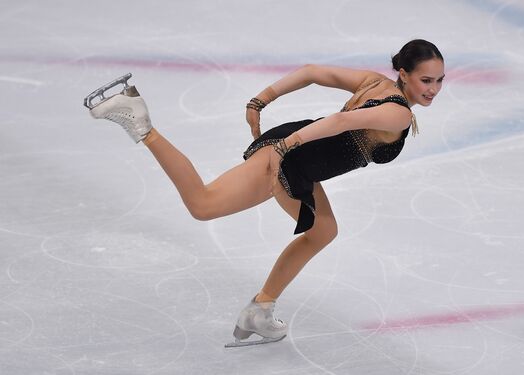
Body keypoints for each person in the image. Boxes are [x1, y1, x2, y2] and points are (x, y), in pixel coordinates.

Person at [84, 39, 445, 347]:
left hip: (300, 160)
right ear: (404, 74)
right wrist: (286, 145)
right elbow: (341, 121)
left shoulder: (375, 83)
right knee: (203, 204)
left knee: (323, 231)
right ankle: (141, 123)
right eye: (425, 79)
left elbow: (311, 71)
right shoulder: (397, 114)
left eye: (439, 80)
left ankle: (260, 310)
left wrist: (261, 100)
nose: (432, 88)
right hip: (289, 159)